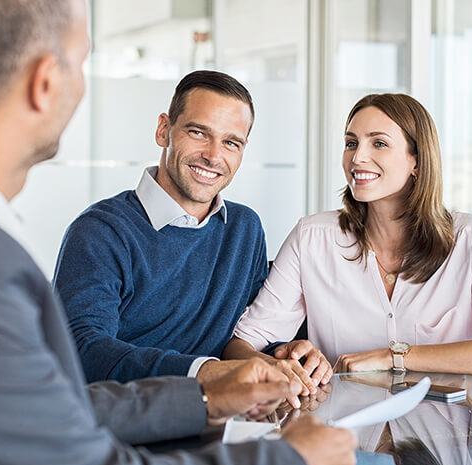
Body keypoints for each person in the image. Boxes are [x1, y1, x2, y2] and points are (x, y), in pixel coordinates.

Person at [0, 1, 359, 464]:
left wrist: (207, 398)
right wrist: (289, 458)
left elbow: (47, 409)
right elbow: (69, 450)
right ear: (45, 81)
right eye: (82, 61)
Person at [53, 69, 328, 394]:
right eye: (199, 132)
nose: (214, 156)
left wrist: (287, 355)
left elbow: (246, 337)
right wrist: (207, 372)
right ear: (163, 130)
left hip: (222, 423)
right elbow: (84, 351)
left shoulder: (244, 229)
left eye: (231, 142)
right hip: (127, 427)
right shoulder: (101, 231)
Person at [224, 93, 472, 378]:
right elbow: (239, 346)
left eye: (379, 143)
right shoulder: (311, 238)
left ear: (417, 160)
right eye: (351, 143)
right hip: (343, 433)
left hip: (441, 433)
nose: (358, 158)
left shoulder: (469, 237)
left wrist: (394, 357)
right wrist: (283, 368)